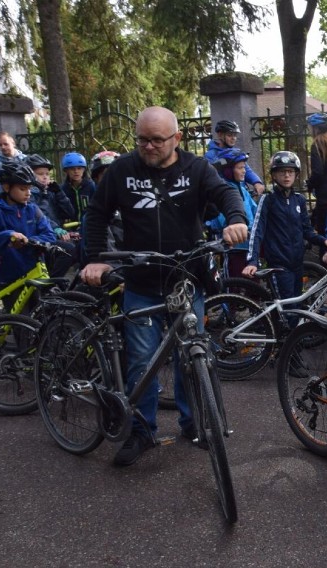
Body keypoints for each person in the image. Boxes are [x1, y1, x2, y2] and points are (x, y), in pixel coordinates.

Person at [80, 106, 248, 467]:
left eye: (157, 140)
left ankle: (193, 423)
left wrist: (235, 219)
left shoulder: (197, 168)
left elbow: (226, 194)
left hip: (186, 281)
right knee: (142, 361)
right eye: (142, 139)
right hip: (140, 282)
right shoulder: (123, 170)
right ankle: (142, 430)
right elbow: (96, 213)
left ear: (177, 138)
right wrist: (97, 258)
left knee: (191, 355)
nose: (149, 146)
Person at [242, 151, 327, 319]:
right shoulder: (268, 199)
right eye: (282, 171)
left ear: (296, 174)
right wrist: (252, 260)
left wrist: (324, 241)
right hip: (279, 264)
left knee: (297, 306)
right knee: (288, 309)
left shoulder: (299, 200)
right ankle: (288, 342)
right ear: (274, 175)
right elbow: (257, 231)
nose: (286, 175)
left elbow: (307, 230)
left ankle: (290, 339)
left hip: (297, 262)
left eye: (290, 172)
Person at [0, 162, 56, 311]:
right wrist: (8, 235)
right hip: (10, 277)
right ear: (7, 187)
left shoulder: (33, 209)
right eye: (22, 189)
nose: (28, 193)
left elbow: (50, 235)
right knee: (21, 325)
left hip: (34, 272)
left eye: (29, 188)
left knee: (42, 320)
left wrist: (30, 241)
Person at [208, 147, 258, 277]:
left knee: (253, 284)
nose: (244, 171)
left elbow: (256, 212)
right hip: (233, 249)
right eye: (240, 168)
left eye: (244, 168)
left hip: (250, 246)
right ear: (229, 171)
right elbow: (221, 221)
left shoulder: (243, 189)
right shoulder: (223, 193)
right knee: (235, 284)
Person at [25, 154, 77, 277]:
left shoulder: (50, 191)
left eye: (47, 174)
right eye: (40, 174)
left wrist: (59, 193)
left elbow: (69, 213)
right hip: (40, 237)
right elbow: (40, 215)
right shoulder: (29, 195)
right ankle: (51, 285)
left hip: (53, 234)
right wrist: (56, 229)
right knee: (69, 251)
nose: (45, 177)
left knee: (79, 250)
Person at [204, 119, 265, 197]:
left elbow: (246, 169)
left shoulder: (236, 153)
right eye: (229, 135)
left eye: (235, 135)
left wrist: (256, 182)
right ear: (219, 135)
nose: (233, 138)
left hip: (241, 193)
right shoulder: (210, 156)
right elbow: (212, 178)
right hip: (224, 197)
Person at [0, 132, 27, 206]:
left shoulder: (24, 159)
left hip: (20, 200)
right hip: (0, 200)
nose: (2, 147)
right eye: (0, 145)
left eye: (6, 144)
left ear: (13, 143)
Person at [59, 152, 97, 225]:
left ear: (84, 169)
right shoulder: (63, 189)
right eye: (72, 169)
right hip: (70, 227)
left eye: (79, 168)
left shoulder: (91, 186)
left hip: (88, 225)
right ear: (66, 171)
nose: (76, 171)